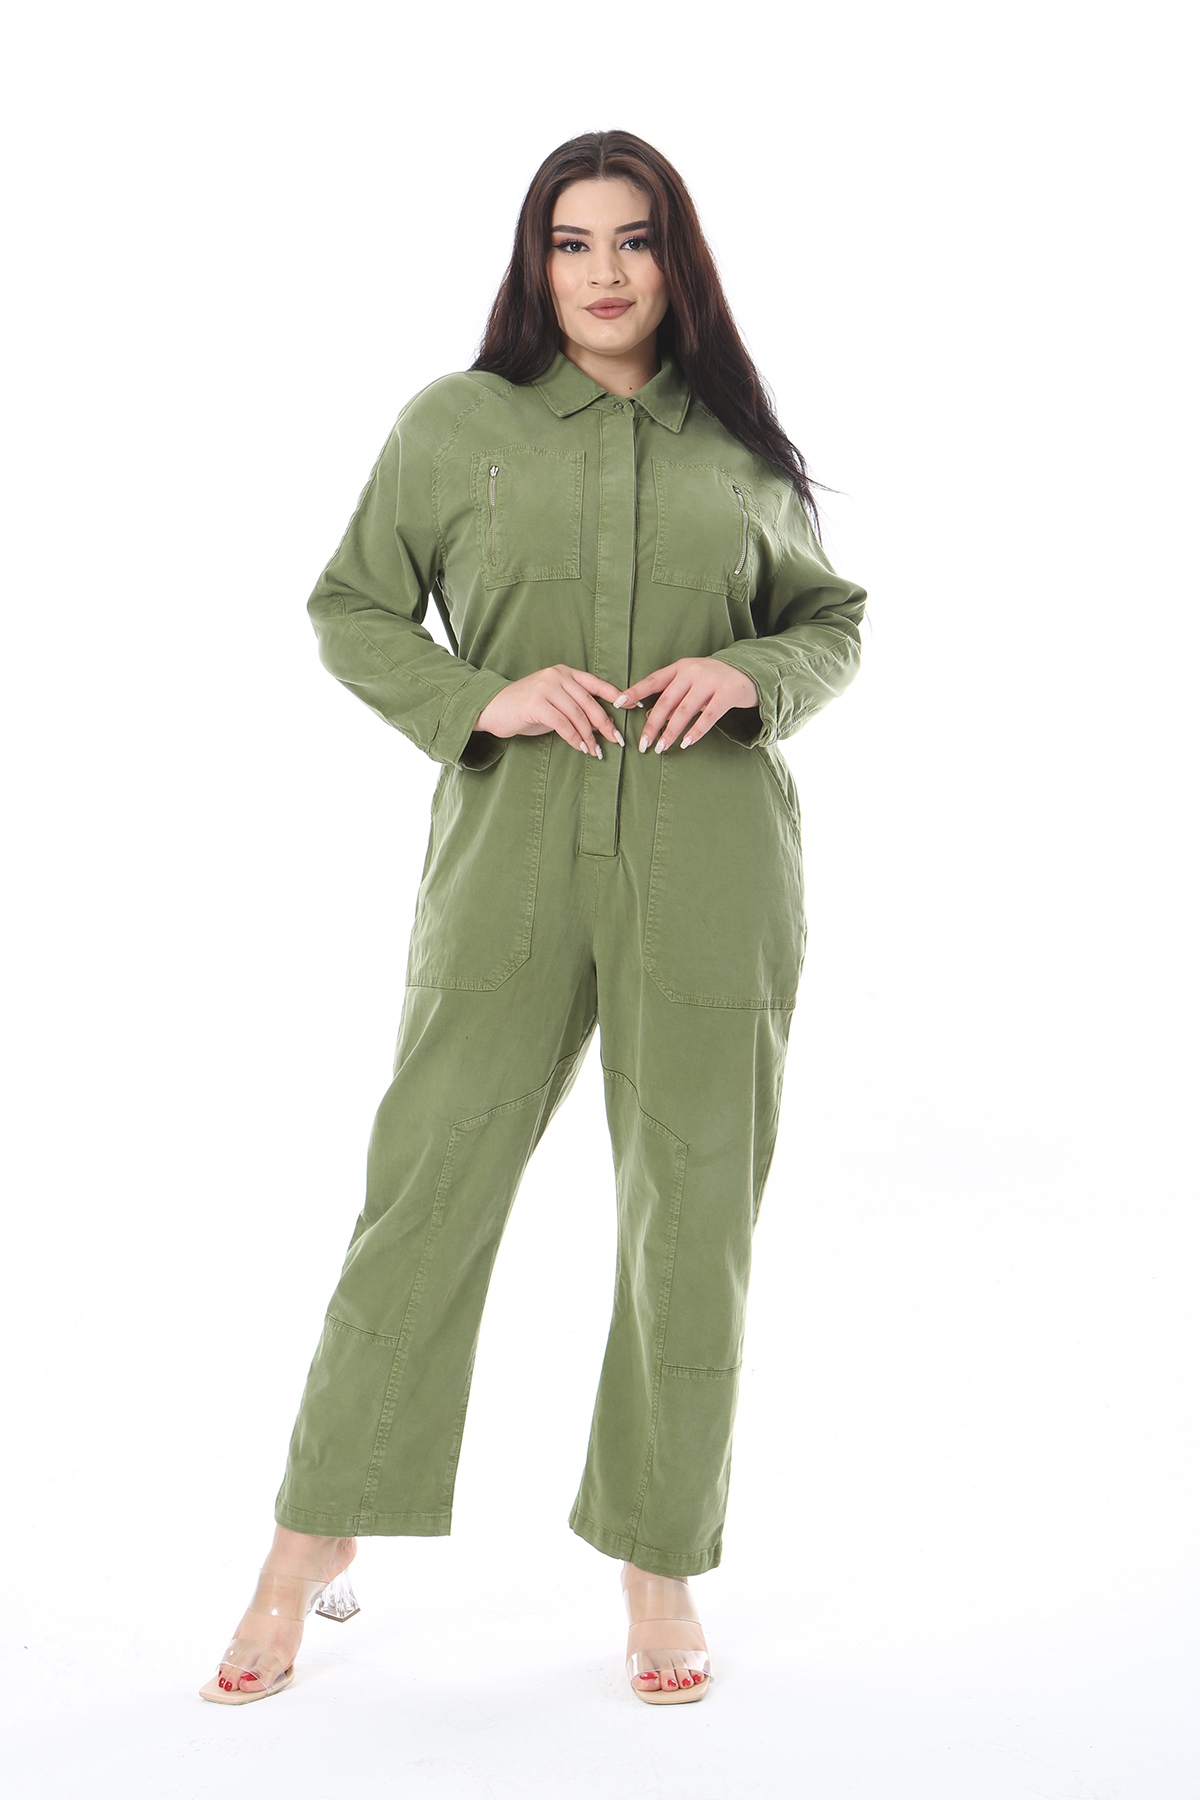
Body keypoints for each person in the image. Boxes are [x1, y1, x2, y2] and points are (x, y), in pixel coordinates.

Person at [199, 128, 867, 1710]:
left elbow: (831, 622)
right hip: (508, 859)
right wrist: (476, 698)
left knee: (691, 1210)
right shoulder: (457, 425)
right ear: (535, 261)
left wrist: (750, 674)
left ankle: (658, 1559)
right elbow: (351, 605)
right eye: (573, 242)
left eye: (635, 240)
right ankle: (311, 1535)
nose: (606, 272)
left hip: (714, 863)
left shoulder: (738, 446)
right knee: (427, 1184)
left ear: (676, 260)